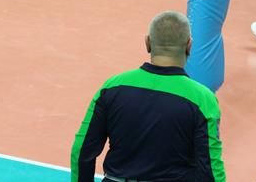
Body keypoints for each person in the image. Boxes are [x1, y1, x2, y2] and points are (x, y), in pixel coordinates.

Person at [71, 11, 225, 182]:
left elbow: (81, 151)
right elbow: (210, 171)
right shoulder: (203, 100)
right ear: (189, 45)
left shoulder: (112, 87)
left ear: (148, 43)